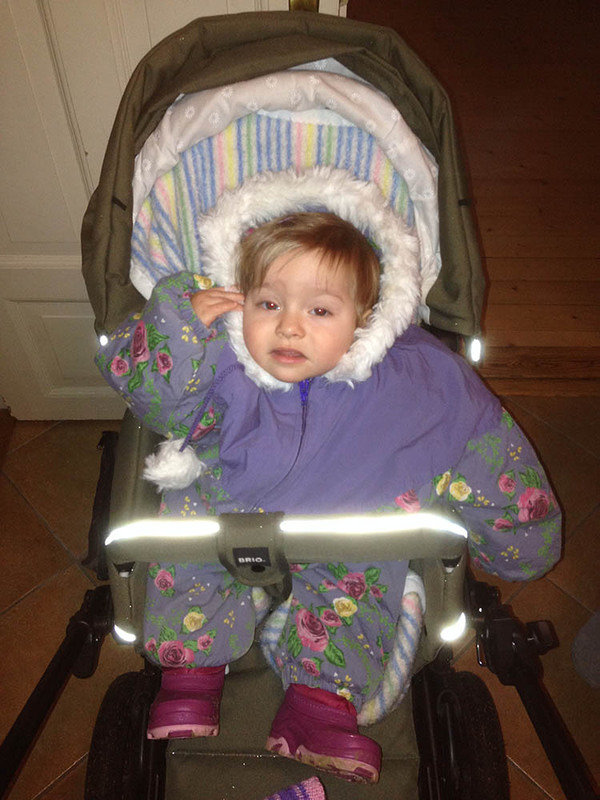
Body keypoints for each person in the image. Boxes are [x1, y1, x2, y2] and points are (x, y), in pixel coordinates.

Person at [97, 198, 561, 783]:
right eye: (268, 303)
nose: (289, 326)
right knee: (185, 540)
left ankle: (319, 702)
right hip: (228, 508)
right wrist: (180, 324)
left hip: (347, 518)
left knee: (362, 581)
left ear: (365, 319)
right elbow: (147, 396)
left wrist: (524, 541)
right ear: (240, 298)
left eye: (319, 309)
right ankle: (190, 670)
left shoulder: (414, 379)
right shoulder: (220, 358)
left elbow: (474, 435)